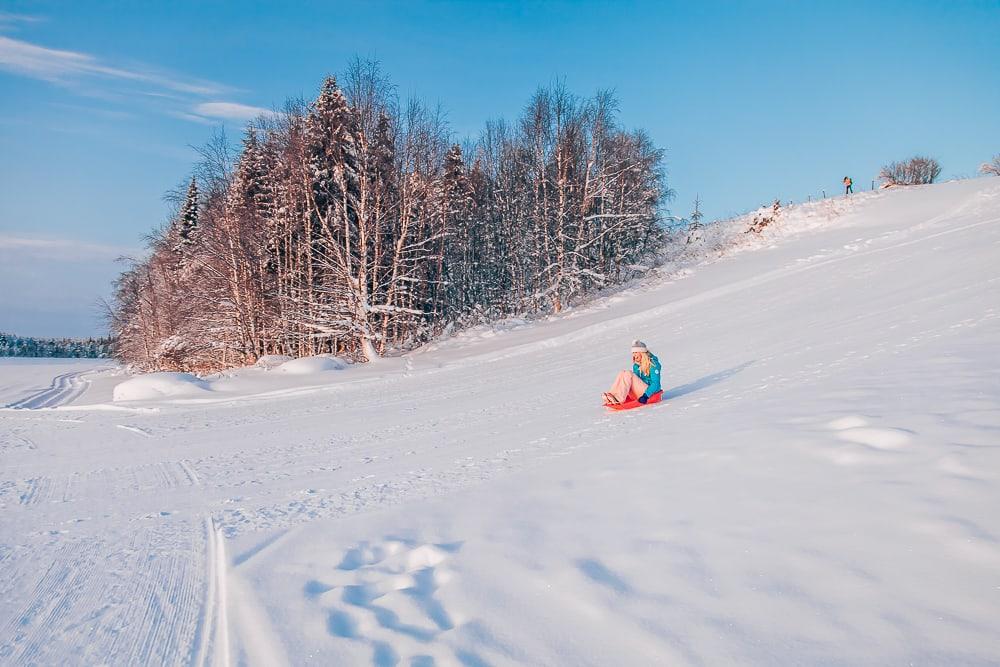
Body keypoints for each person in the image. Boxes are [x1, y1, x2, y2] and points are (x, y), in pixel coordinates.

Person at [603, 340, 662, 405]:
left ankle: (618, 399)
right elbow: (635, 382)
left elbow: (656, 384)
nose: (634, 355)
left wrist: (646, 396)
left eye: (636, 352)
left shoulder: (653, 364)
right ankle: (612, 395)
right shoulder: (636, 365)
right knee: (622, 372)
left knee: (628, 373)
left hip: (649, 393)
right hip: (639, 393)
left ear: (642, 352)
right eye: (633, 353)